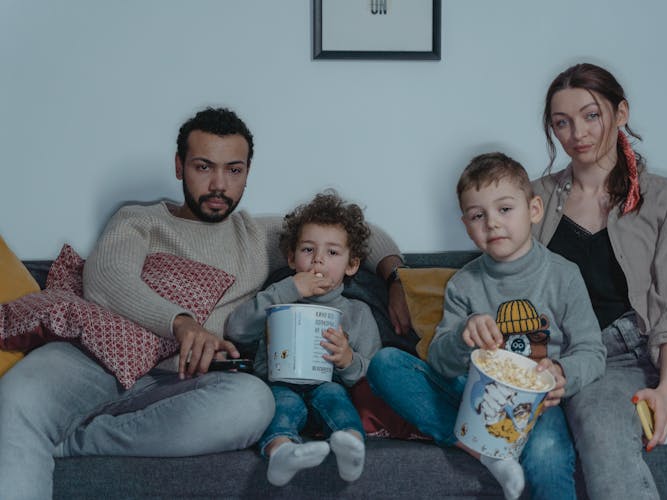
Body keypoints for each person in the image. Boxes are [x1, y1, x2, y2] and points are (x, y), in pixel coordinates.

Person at [0, 107, 407, 499]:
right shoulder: (139, 221)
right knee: (18, 400)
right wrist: (182, 323)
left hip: (185, 382)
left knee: (253, 403)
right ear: (179, 167)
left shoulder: (260, 236)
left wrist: (394, 279)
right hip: (94, 357)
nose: (218, 185)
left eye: (234, 170)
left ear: (247, 173)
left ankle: (76, 441)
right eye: (203, 167)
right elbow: (107, 279)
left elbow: (358, 233)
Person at [533, 62, 667, 500]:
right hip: (598, 364)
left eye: (591, 114)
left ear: (622, 113)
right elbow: (504, 273)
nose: (578, 132)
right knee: (602, 440)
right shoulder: (532, 200)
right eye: (562, 122)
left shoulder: (664, 197)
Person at [368, 152, 606, 500]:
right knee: (384, 364)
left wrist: (561, 372)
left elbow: (592, 351)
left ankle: (491, 445)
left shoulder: (563, 275)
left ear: (534, 210)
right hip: (474, 395)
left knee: (546, 456)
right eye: (478, 215)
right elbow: (439, 361)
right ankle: (485, 451)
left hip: (535, 404)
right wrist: (464, 335)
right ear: (466, 224)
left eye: (505, 209)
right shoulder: (464, 284)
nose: (492, 223)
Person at [226, 191, 380, 486]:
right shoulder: (277, 300)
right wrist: (287, 290)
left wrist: (348, 360)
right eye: (308, 250)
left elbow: (372, 370)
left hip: (329, 385)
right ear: (291, 258)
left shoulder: (357, 313)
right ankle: (281, 452)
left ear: (352, 264)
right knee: (281, 405)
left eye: (332, 253)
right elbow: (237, 329)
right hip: (279, 385)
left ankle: (350, 445)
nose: (318, 260)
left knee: (335, 399)